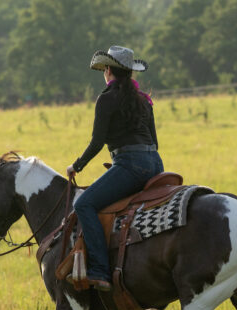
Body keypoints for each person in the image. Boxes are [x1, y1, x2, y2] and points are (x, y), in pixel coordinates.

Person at [67, 46, 164, 292]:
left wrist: (76, 166)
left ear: (108, 70)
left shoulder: (106, 99)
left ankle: (100, 270)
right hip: (156, 164)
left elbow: (98, 142)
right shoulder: (144, 100)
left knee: (84, 205)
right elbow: (154, 140)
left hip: (131, 165)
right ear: (129, 72)